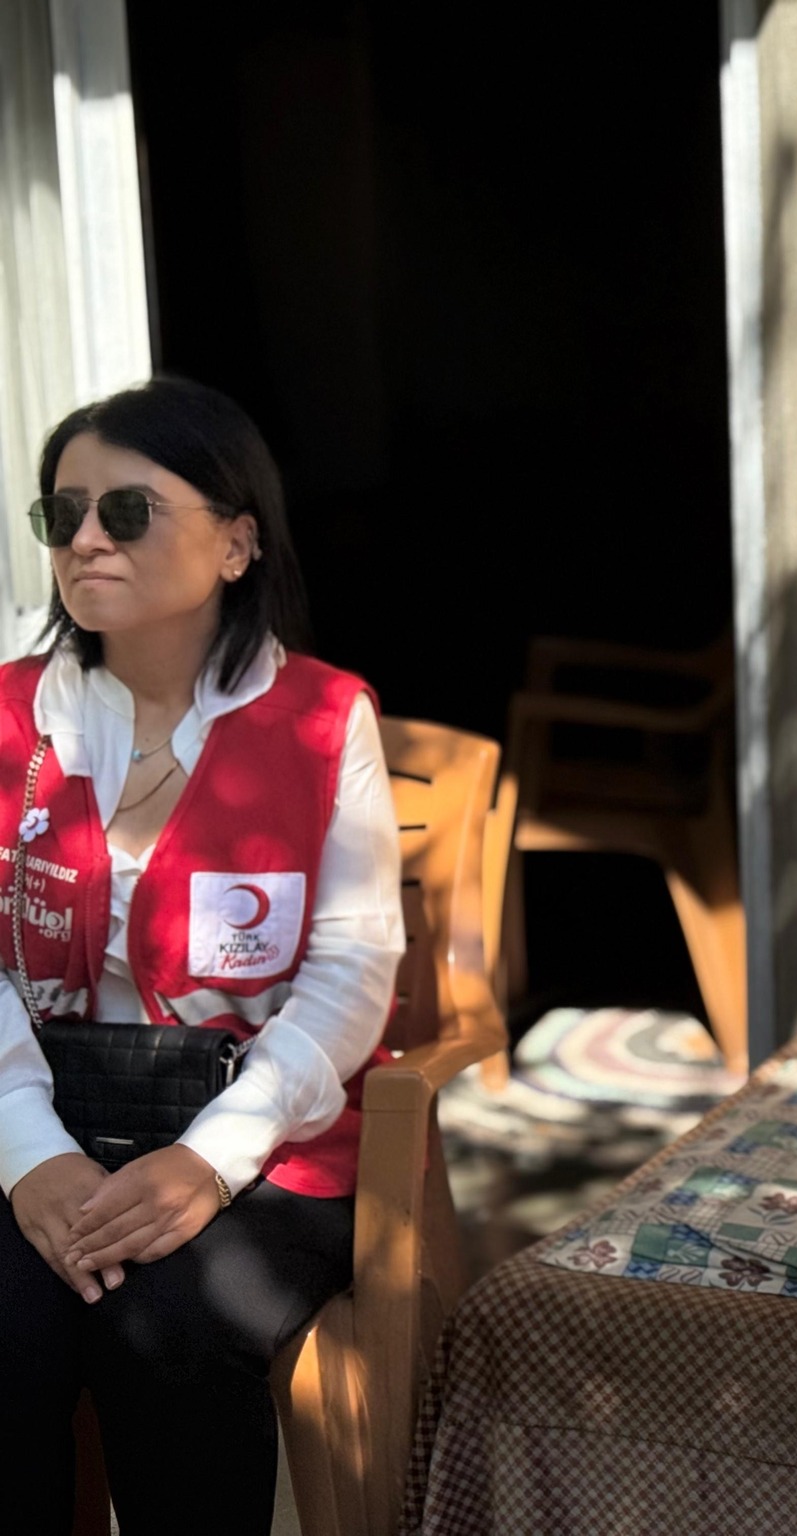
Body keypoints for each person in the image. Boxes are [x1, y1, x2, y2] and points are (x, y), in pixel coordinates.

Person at [0, 378, 404, 1535]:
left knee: (167, 1325)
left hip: (259, 1142)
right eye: (62, 512)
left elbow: (349, 975)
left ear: (236, 542)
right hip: (40, 1115)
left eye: (126, 510)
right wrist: (29, 1154)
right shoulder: (10, 718)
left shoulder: (322, 719)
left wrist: (207, 1160)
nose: (84, 539)